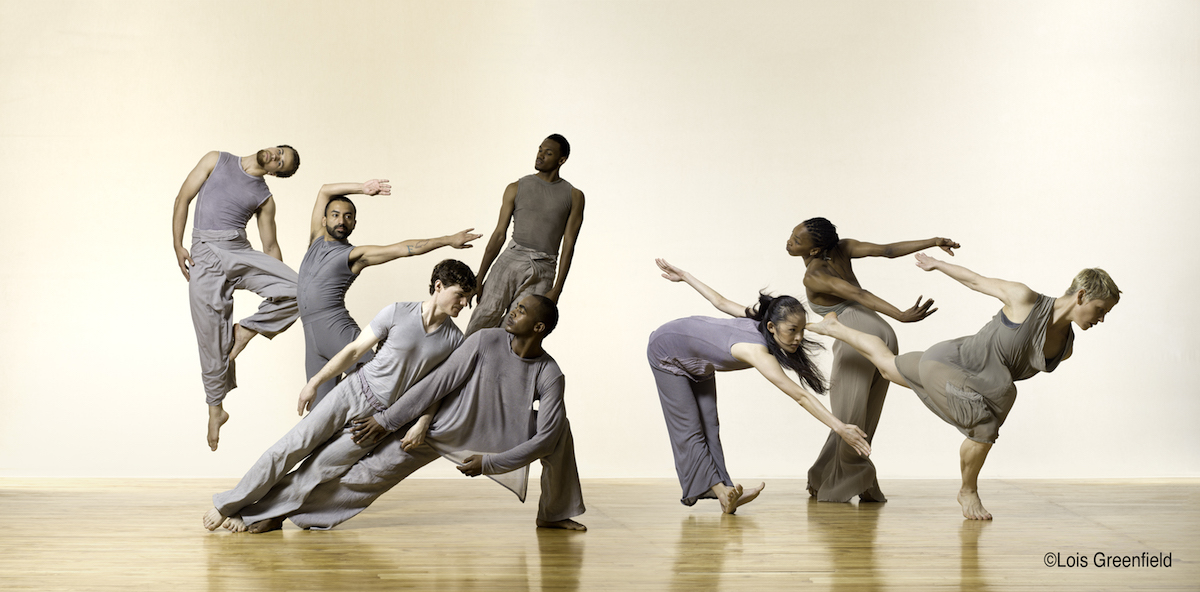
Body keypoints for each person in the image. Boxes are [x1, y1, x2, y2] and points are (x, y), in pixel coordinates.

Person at [234, 295, 586, 533]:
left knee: (559, 431)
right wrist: (386, 422)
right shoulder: (486, 340)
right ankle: (277, 512)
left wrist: (490, 463)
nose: (512, 311)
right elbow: (436, 384)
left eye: (522, 310)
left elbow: (546, 439)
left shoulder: (549, 373)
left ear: (539, 327)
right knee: (365, 477)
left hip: (488, 437)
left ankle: (554, 513)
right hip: (436, 430)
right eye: (515, 305)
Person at [806, 254, 1119, 519]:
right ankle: (967, 491)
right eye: (1101, 309)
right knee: (984, 425)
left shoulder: (1065, 348)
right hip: (951, 362)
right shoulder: (1024, 299)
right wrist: (937, 264)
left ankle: (835, 327)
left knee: (888, 368)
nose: (1101, 319)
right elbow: (976, 280)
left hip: (971, 381)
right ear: (1081, 296)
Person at [202, 260, 476, 532]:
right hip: (352, 391)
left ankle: (251, 515)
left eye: (468, 297)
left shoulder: (454, 341)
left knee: (317, 472)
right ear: (438, 286)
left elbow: (439, 389)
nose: (464, 303)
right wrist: (316, 381)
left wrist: (422, 423)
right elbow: (354, 351)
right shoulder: (397, 312)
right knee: (289, 448)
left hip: (378, 420)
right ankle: (227, 504)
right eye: (460, 295)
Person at [651, 259, 872, 514]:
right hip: (666, 350)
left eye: (801, 330)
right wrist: (840, 427)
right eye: (792, 330)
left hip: (697, 360)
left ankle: (724, 490)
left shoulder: (762, 322)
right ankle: (723, 494)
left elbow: (721, 302)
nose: (799, 338)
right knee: (689, 428)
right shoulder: (756, 351)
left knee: (709, 425)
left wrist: (686, 276)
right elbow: (800, 396)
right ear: (772, 327)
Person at [786, 217, 960, 503]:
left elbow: (857, 293)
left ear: (815, 251)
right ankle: (823, 476)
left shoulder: (814, 274)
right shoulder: (843, 247)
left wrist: (902, 315)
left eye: (797, 240)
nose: (789, 241)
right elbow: (888, 250)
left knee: (848, 420)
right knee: (858, 418)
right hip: (879, 334)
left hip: (857, 336)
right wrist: (934, 241)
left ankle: (850, 484)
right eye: (792, 235)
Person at [300, 179, 481, 407]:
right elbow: (325, 189)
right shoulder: (316, 239)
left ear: (355, 223)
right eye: (335, 215)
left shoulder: (355, 255)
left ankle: (404, 424)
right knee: (317, 412)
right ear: (324, 219)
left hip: (336, 329)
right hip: (311, 338)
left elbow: (402, 249)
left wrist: (447, 240)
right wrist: (362, 189)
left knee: (379, 389)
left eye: (348, 216)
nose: (341, 221)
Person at [171, 146, 302, 451]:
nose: (275, 157)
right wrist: (177, 245)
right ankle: (216, 408)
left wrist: (277, 277)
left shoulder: (265, 198)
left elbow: (270, 247)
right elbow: (183, 199)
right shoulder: (216, 159)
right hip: (203, 252)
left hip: (238, 250)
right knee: (211, 338)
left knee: (300, 289)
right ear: (273, 147)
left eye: (281, 163)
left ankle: (246, 330)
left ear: (275, 173)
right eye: (279, 152)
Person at [466, 134, 585, 335]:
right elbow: (498, 235)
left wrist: (557, 289)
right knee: (484, 317)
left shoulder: (574, 196)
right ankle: (465, 365)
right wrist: (480, 277)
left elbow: (569, 245)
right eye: (540, 150)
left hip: (544, 267)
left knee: (518, 331)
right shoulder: (516, 187)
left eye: (548, 153)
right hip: (512, 258)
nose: (540, 156)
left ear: (561, 160)